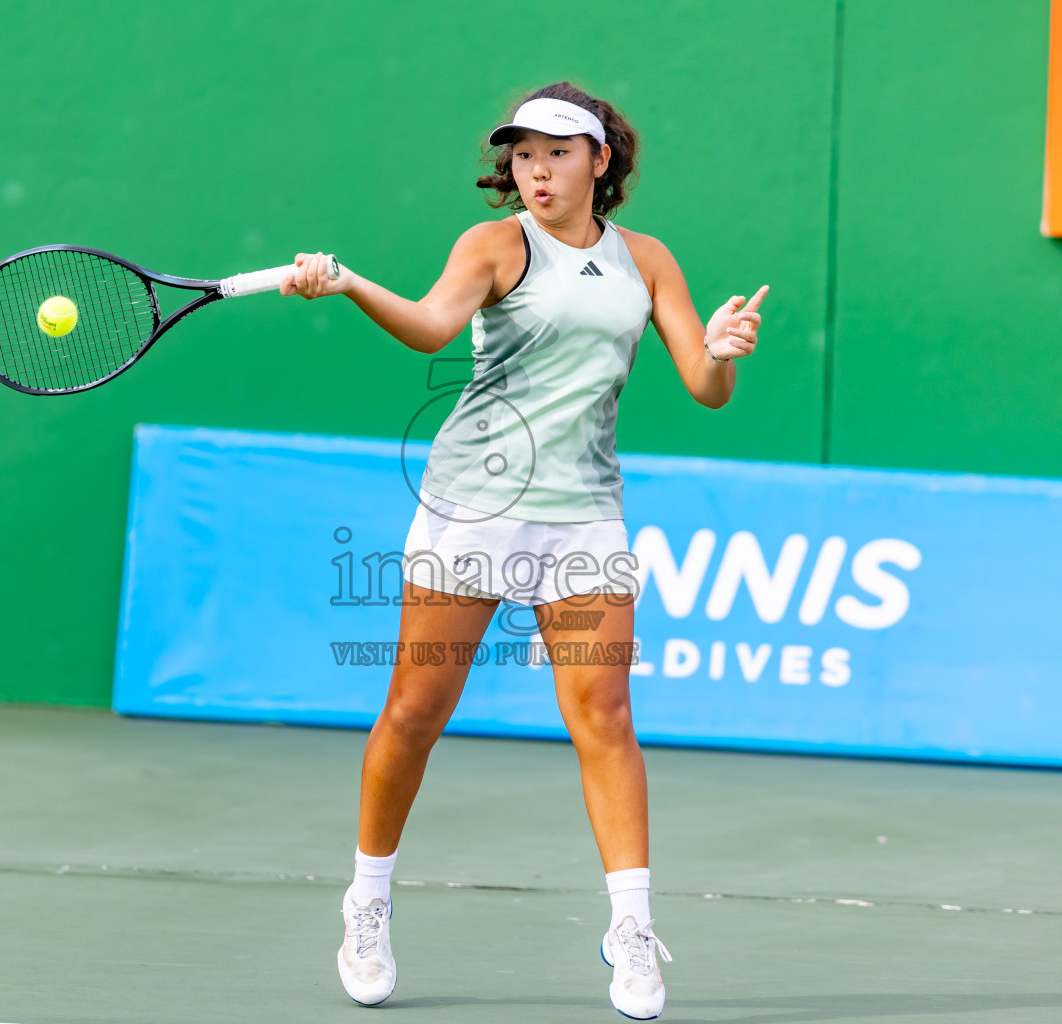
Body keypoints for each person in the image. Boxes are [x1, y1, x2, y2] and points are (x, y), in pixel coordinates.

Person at [280, 81, 765, 1019]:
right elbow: (430, 325)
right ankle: (367, 900)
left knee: (606, 719)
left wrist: (722, 347)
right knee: (414, 714)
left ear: (601, 161)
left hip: (584, 517)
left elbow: (705, 387)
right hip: (475, 508)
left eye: (557, 153)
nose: (536, 170)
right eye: (524, 155)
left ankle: (631, 929)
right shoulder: (494, 246)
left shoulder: (647, 260)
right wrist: (349, 284)